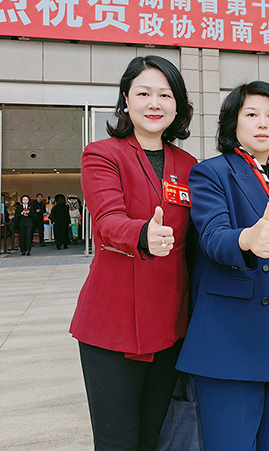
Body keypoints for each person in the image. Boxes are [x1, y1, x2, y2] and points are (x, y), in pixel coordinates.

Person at [177, 81, 269, 451]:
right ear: (233, 123)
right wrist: (246, 239)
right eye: (252, 114)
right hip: (232, 339)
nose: (263, 123)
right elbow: (212, 236)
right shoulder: (212, 172)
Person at [69, 55, 196, 450]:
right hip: (113, 325)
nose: (154, 103)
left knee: (153, 437)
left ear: (178, 105)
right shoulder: (103, 154)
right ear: (126, 99)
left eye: (165, 94)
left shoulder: (189, 165)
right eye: (143, 93)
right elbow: (108, 220)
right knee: (117, 441)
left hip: (169, 325)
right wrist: (143, 234)